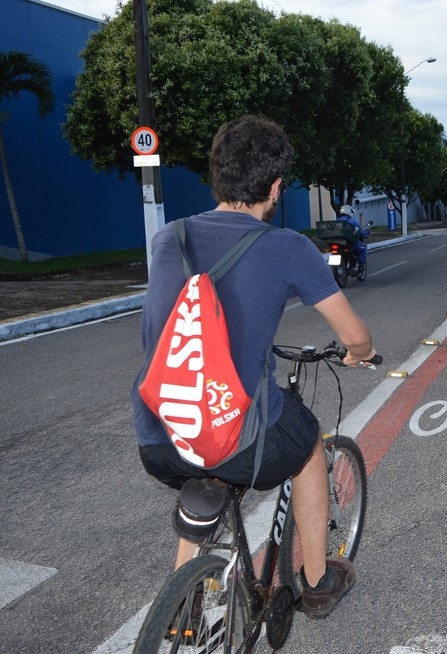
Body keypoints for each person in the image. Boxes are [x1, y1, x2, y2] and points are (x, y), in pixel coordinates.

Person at [131, 114, 377, 618]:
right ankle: (318, 582)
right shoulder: (286, 246)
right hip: (233, 436)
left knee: (206, 466)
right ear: (276, 186)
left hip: (159, 435)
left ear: (216, 176)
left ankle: (185, 605)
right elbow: (354, 334)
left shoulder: (168, 239)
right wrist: (360, 354)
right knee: (306, 442)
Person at [337, 204, 370, 273]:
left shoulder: (337, 220)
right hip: (349, 243)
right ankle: (361, 265)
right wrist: (367, 232)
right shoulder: (353, 221)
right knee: (363, 247)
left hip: (337, 243)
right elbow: (360, 233)